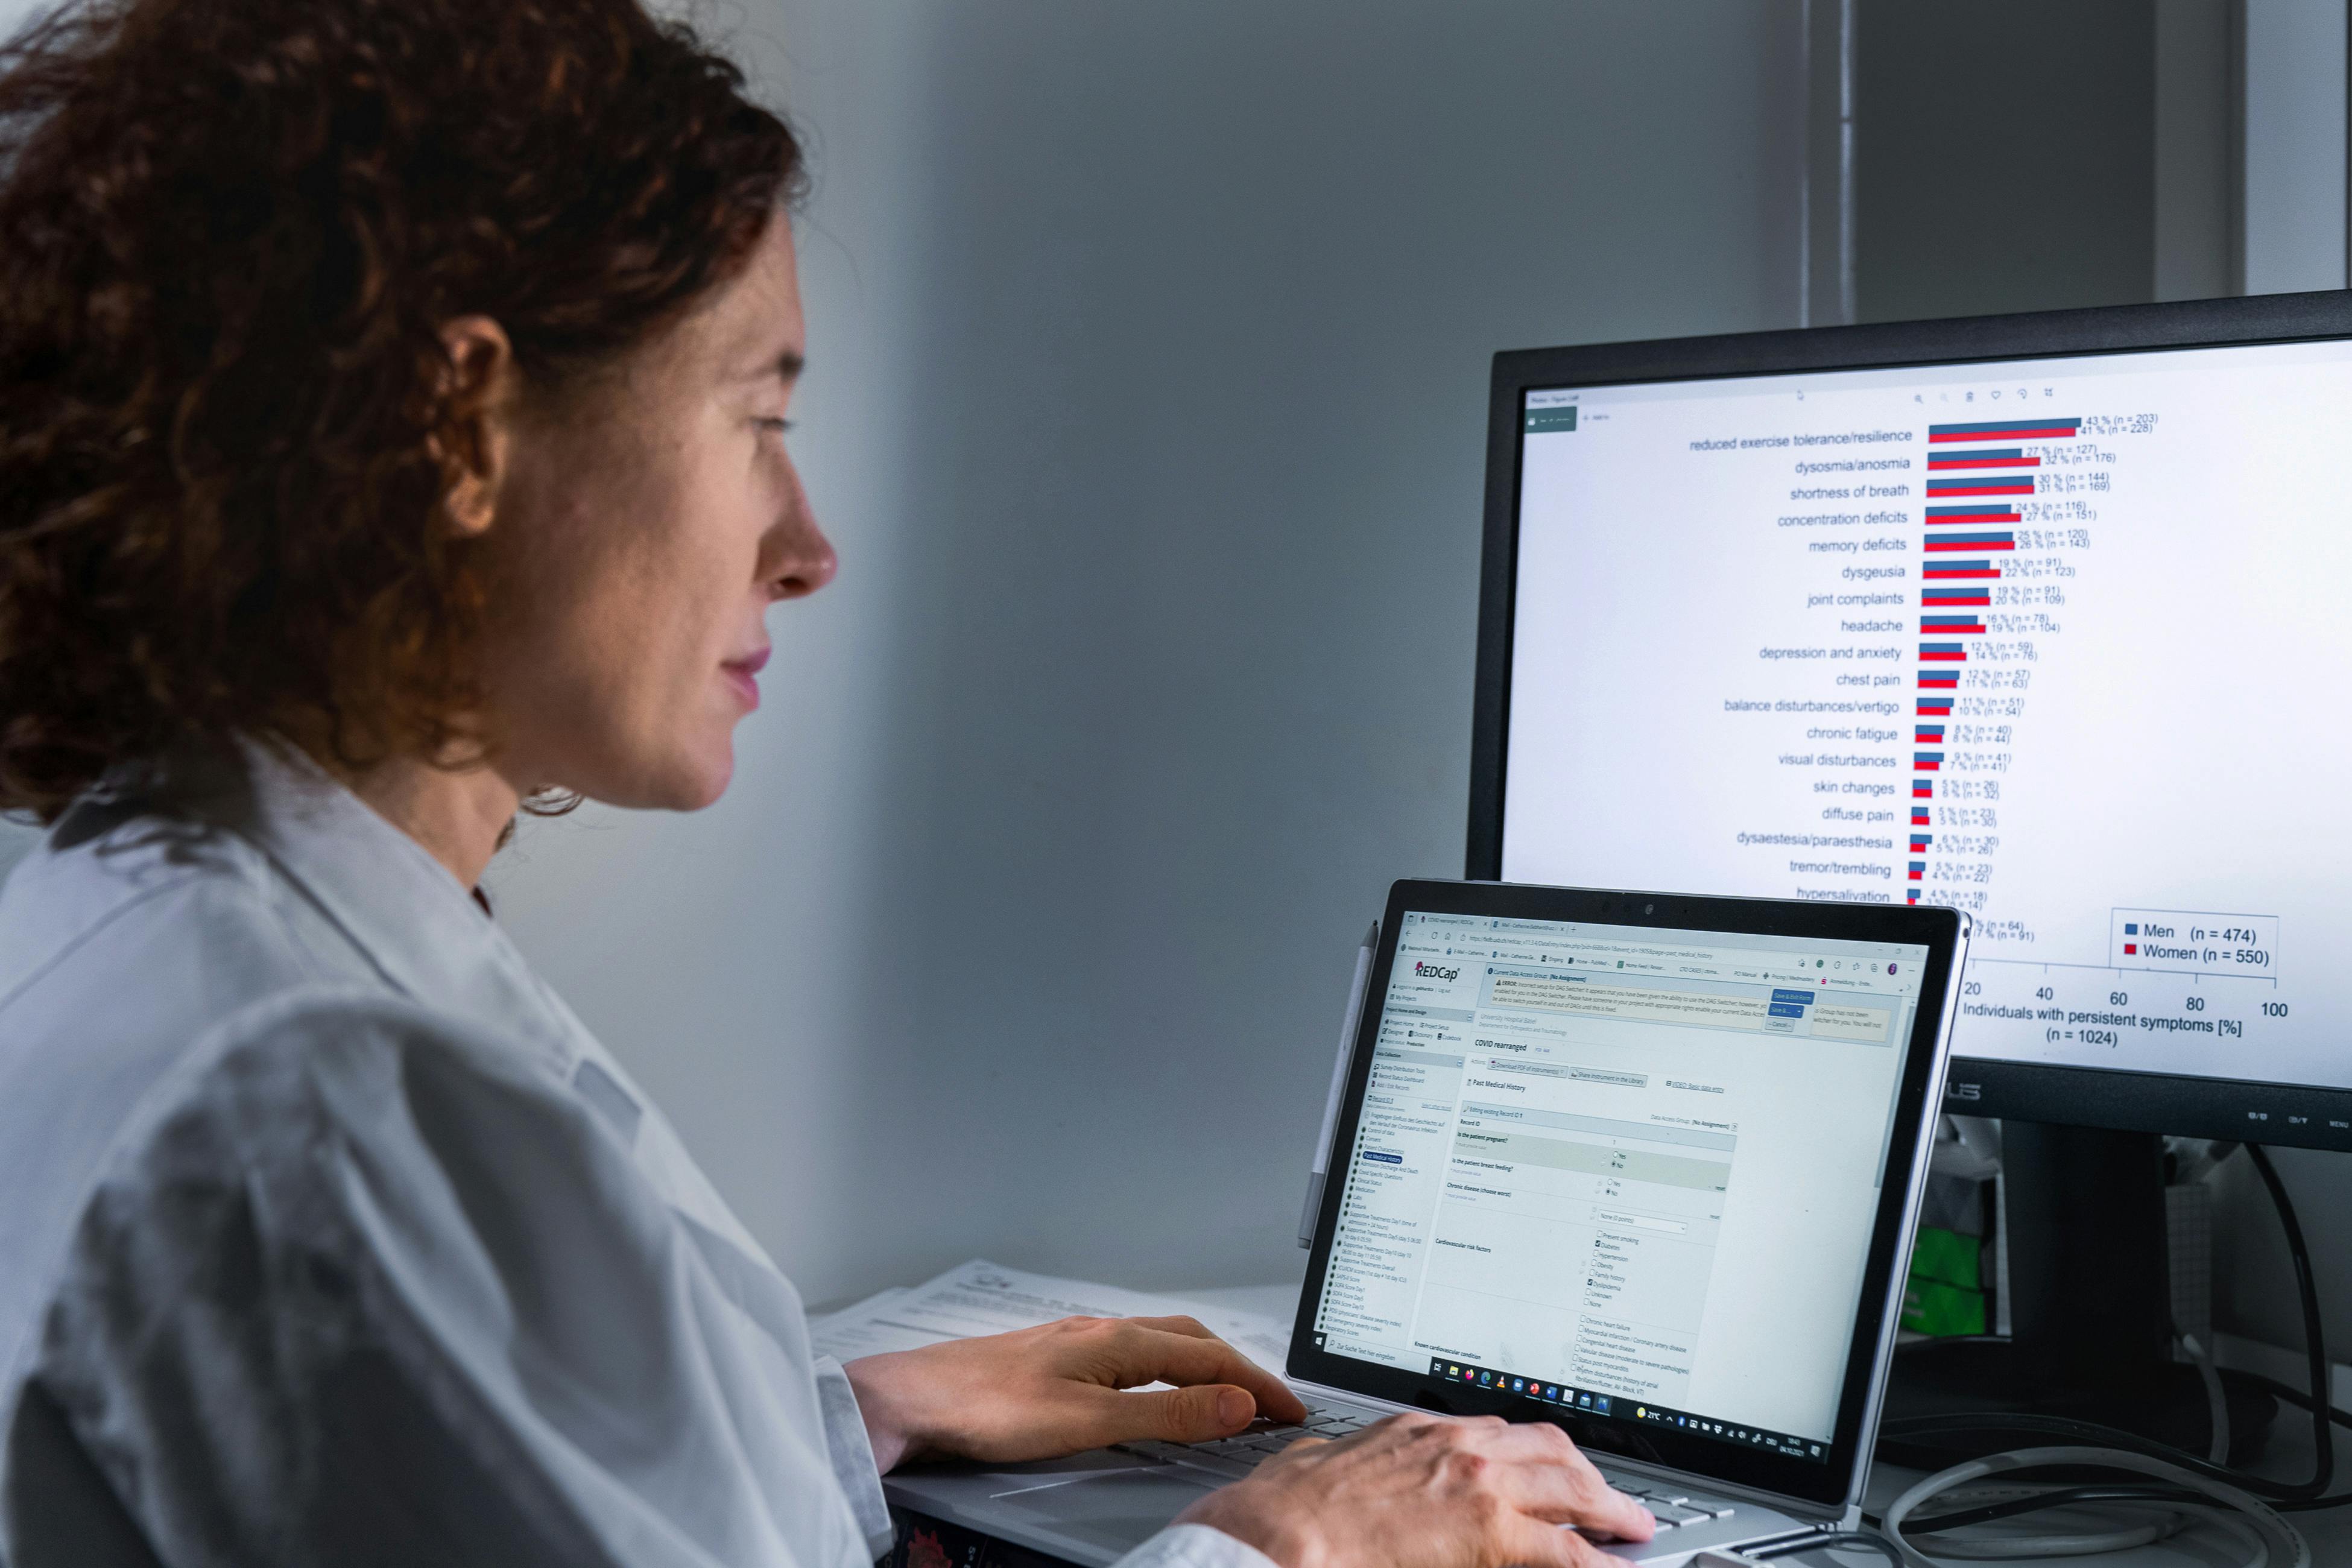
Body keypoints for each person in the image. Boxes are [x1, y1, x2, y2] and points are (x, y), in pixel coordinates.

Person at [0, 2, 1657, 1564]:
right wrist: (1284, 1540)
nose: (805, 548)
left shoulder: (138, 918)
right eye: (755, 417)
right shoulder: (334, 1108)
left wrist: (837, 1418)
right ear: (463, 425)